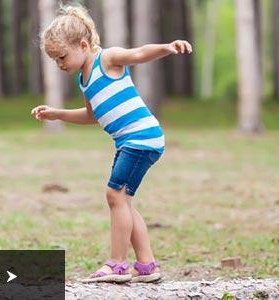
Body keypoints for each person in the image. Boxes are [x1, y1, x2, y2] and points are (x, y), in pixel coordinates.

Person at [31, 3, 192, 283]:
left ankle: (117, 264)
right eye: (55, 60)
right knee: (124, 202)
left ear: (83, 45)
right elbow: (93, 116)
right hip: (130, 141)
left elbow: (139, 53)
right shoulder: (85, 79)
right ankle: (146, 266)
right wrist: (57, 114)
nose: (59, 65)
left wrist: (168, 47)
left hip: (141, 138)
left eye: (61, 57)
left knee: (115, 196)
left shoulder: (107, 59)